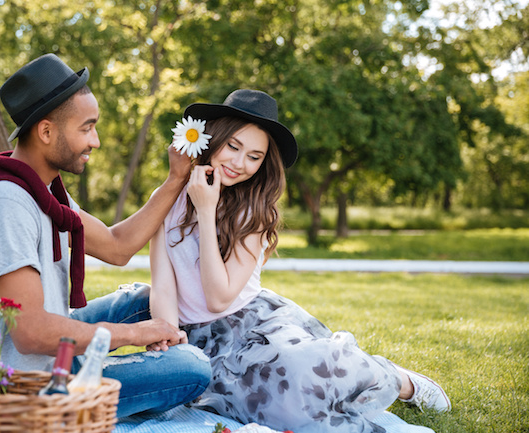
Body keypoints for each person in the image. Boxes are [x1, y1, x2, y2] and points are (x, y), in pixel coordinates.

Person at [149, 89, 451, 432]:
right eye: (233, 146)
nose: (238, 163)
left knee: (304, 375)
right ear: (212, 139)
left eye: (254, 156)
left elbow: (219, 297)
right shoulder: (167, 200)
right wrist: (167, 333)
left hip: (253, 327)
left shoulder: (255, 213)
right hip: (200, 338)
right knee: (278, 412)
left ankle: (396, 378)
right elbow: (162, 281)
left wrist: (206, 210)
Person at [0, 54, 210, 417]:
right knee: (193, 368)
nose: (95, 141)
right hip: (30, 382)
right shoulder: (7, 201)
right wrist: (132, 335)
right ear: (47, 131)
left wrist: (175, 179)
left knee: (145, 300)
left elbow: (117, 247)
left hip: (49, 345)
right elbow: (31, 332)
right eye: (86, 128)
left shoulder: (45, 191)